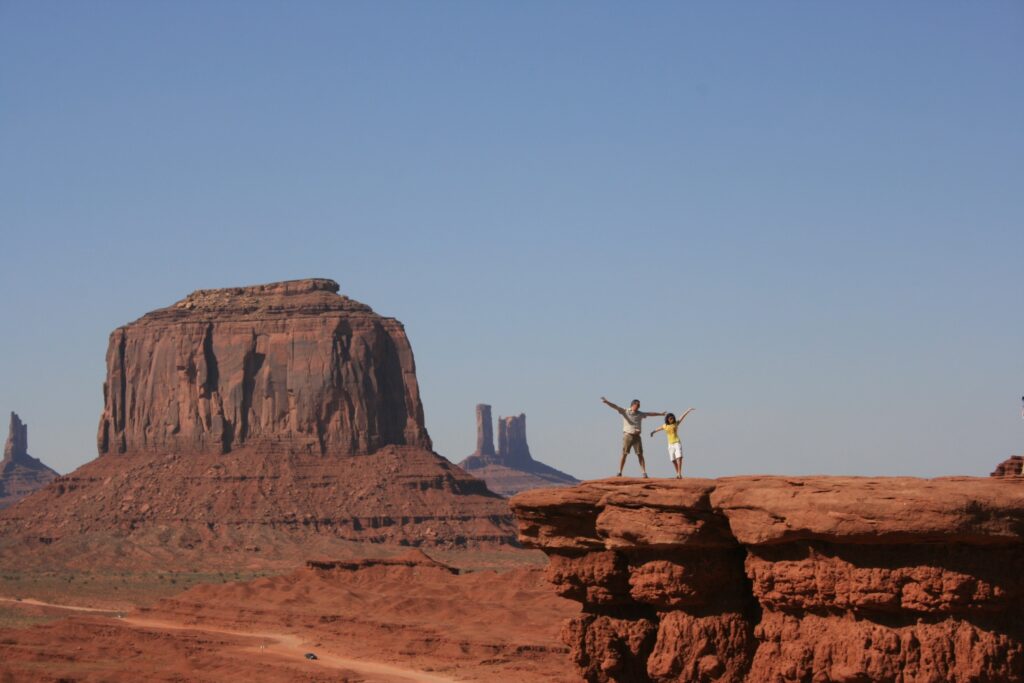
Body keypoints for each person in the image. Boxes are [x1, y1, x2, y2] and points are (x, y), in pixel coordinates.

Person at [601, 397, 666, 477]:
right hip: (628, 435)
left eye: (639, 405)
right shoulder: (625, 411)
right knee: (624, 454)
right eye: (637, 405)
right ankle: (619, 471)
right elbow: (615, 406)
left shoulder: (640, 413)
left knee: (640, 454)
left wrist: (660, 414)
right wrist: (607, 402)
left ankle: (644, 472)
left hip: (637, 437)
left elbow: (650, 413)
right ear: (633, 405)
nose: (638, 407)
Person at [651, 408, 695, 479]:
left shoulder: (676, 423)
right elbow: (659, 428)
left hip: (677, 442)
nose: (671, 419)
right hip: (670, 444)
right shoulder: (665, 426)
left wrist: (688, 411)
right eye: (670, 418)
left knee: (679, 457)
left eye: (672, 418)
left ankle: (679, 473)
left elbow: (682, 417)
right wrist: (653, 432)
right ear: (667, 419)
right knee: (673, 460)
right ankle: (677, 472)